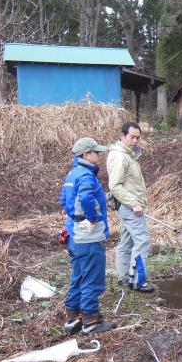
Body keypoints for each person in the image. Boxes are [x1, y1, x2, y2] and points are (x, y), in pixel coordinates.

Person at [60, 137, 116, 334]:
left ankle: (73, 318)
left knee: (78, 276)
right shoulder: (86, 175)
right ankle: (91, 321)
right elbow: (84, 197)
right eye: (96, 152)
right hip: (88, 237)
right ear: (86, 155)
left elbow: (64, 200)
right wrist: (91, 217)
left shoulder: (72, 174)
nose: (99, 155)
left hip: (74, 234)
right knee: (92, 277)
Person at [107, 122, 155, 293]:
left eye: (137, 138)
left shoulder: (128, 155)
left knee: (127, 241)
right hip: (129, 207)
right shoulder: (120, 156)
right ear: (123, 136)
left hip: (129, 206)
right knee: (142, 241)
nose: (135, 141)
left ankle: (123, 277)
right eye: (132, 137)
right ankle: (138, 281)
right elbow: (115, 186)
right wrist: (134, 203)